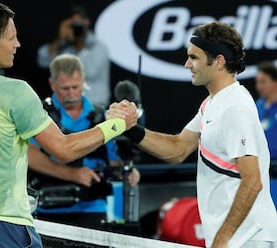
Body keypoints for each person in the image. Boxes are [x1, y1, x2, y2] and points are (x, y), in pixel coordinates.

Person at [0, 3, 137, 248]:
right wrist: (117, 125)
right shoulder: (16, 92)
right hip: (4, 227)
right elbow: (63, 150)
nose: (17, 44)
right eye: (11, 38)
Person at [108, 21, 277, 248]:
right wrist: (132, 130)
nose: (187, 64)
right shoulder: (213, 103)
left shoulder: (235, 108)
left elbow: (252, 181)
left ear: (218, 61)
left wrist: (222, 240)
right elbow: (178, 148)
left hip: (248, 239)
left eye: (194, 57)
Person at [28, 54, 140, 230]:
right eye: (65, 89)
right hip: (48, 207)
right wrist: (71, 174)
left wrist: (126, 172)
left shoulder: (102, 117)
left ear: (83, 81)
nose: (72, 94)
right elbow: (29, 155)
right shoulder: (39, 114)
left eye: (76, 87)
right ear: (52, 84)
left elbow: (114, 161)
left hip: (92, 208)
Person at [37, 5, 111, 107]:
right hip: (67, 106)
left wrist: (79, 44)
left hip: (95, 107)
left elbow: (89, 71)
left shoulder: (98, 47)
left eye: (79, 24)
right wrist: (60, 39)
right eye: (73, 25)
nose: (77, 28)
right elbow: (43, 60)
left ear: (87, 22)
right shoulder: (66, 48)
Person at [255, 61, 277, 161]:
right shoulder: (256, 106)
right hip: (262, 167)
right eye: (257, 82)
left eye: (263, 82)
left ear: (275, 81)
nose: (259, 86)